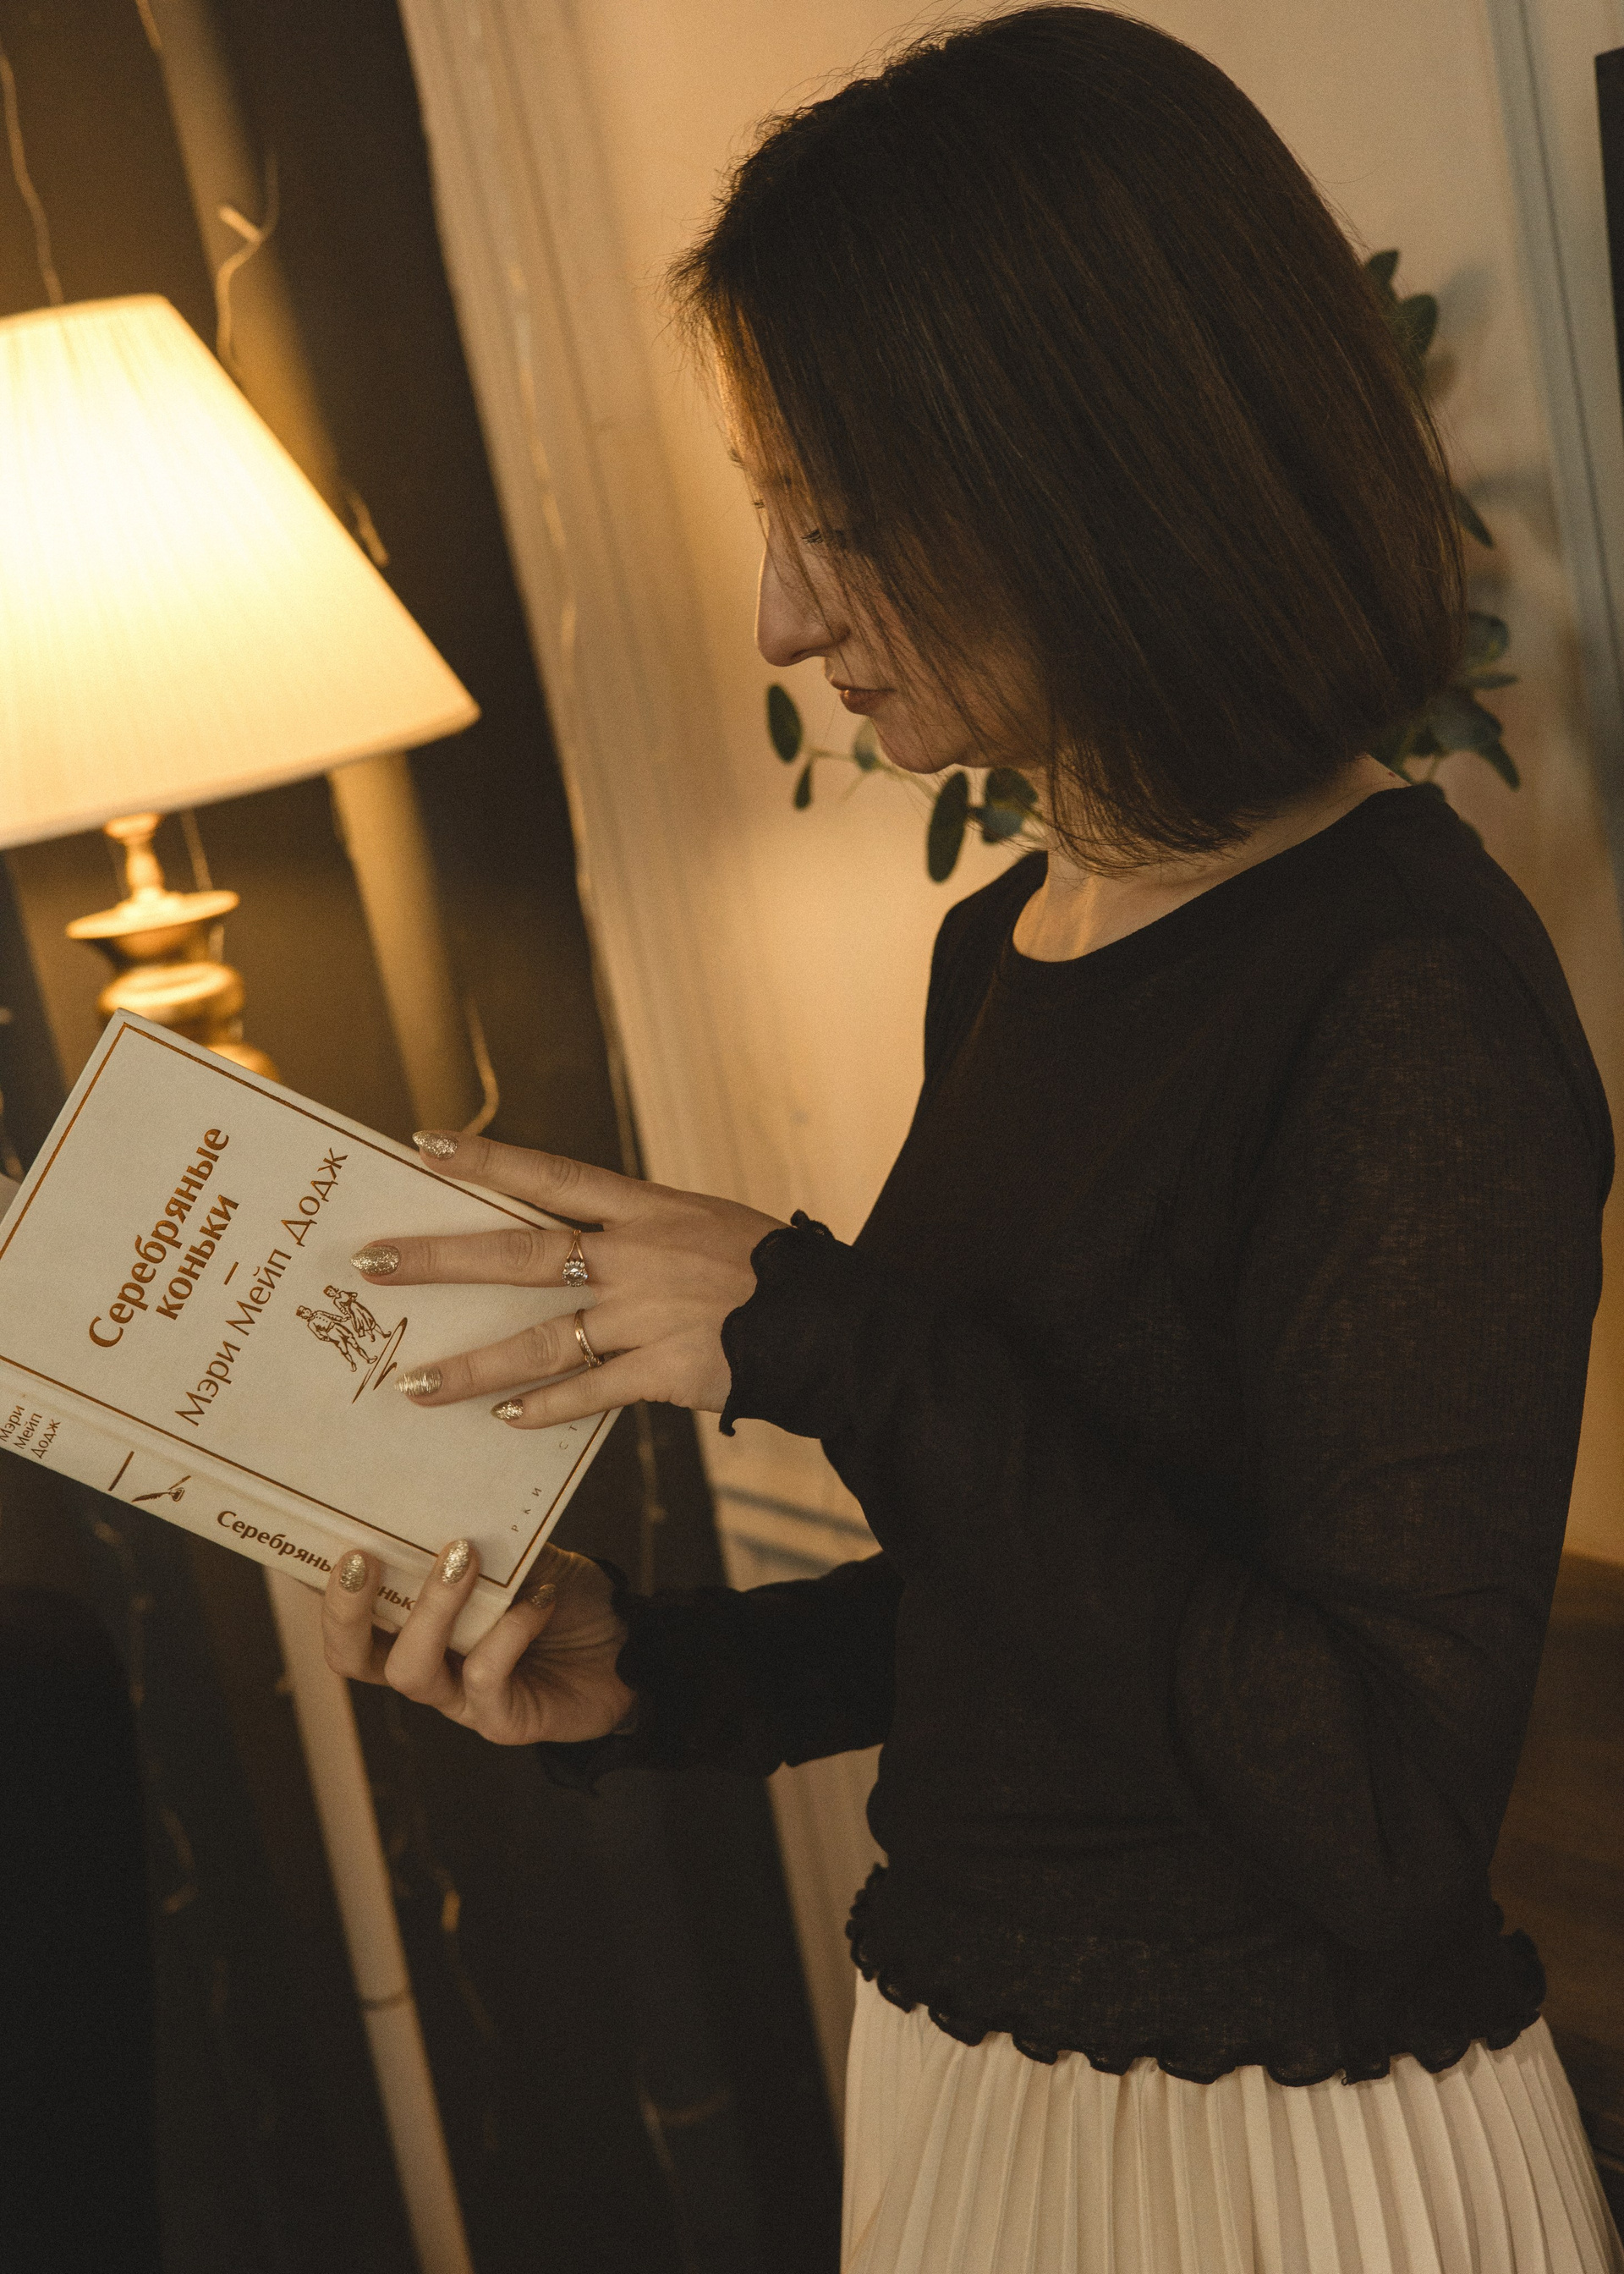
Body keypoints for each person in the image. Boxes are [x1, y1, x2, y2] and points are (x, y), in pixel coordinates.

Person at [323, 10, 1624, 2267]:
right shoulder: (1012, 939)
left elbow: (1381, 1807)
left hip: (1290, 2148)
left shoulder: (1408, 989)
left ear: (1100, 473)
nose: (782, 615)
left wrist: (824, 1335)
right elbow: (1045, 1598)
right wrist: (663, 1677)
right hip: (968, 2073)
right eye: (773, 513)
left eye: (841, 520)